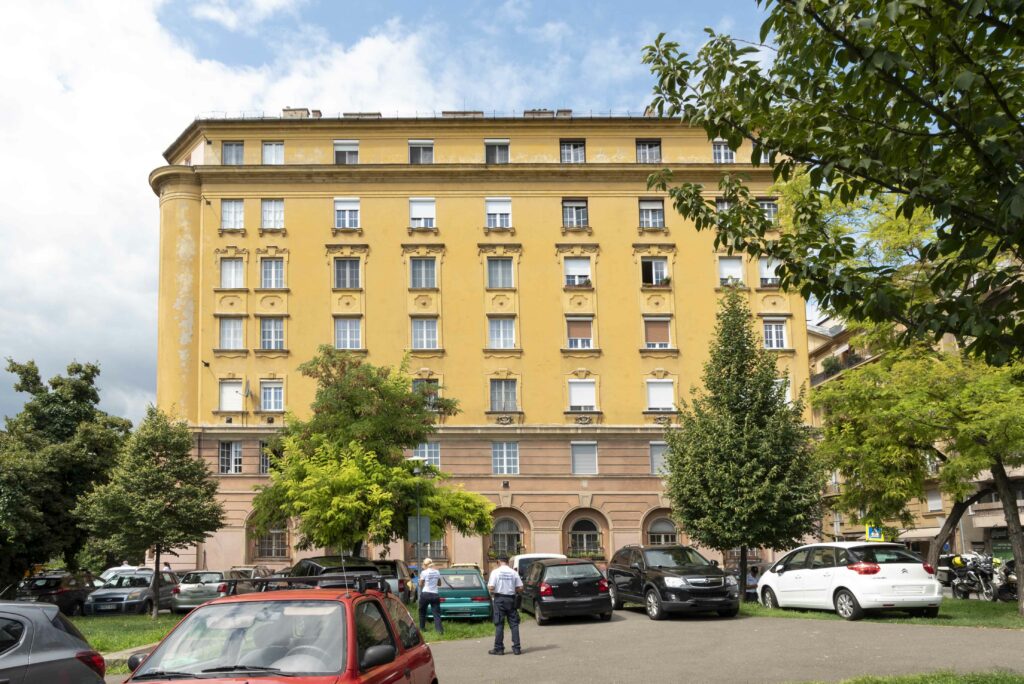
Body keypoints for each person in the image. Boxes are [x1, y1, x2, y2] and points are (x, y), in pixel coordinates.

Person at [487, 554, 523, 656]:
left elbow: (491, 587)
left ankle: (499, 649)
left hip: (499, 599)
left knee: (499, 624)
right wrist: (511, 588)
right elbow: (520, 588)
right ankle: (517, 648)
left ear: (498, 562)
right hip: (511, 599)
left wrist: (494, 589)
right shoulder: (513, 572)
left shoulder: (495, 572)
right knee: (514, 624)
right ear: (507, 562)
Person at [417, 558, 443, 634]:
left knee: (422, 612)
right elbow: (439, 584)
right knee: (436, 613)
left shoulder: (424, 572)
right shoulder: (437, 572)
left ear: (425, 565)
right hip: (435, 594)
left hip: (425, 594)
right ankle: (439, 631)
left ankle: (422, 628)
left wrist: (419, 581)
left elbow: (420, 585)